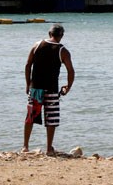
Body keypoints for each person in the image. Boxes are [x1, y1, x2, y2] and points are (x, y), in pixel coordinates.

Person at [22, 23, 75, 156]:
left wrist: (28, 84)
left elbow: (28, 65)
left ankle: (25, 146)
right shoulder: (63, 51)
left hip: (36, 88)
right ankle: (48, 148)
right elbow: (71, 71)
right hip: (51, 89)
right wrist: (68, 86)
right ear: (61, 36)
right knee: (51, 119)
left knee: (30, 117)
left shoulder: (37, 45)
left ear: (49, 33)